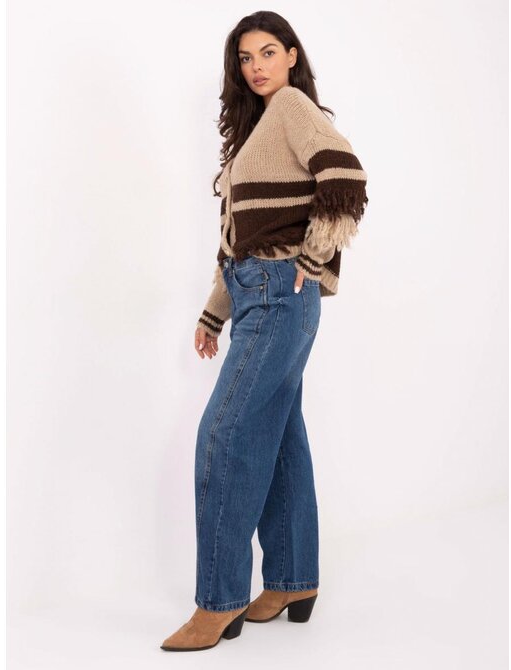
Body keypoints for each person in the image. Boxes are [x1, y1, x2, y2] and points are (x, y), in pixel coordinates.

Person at [161, 10, 368, 652]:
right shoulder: (259, 130)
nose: (256, 67)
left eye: (268, 52)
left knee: (224, 435)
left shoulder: (293, 108)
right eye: (246, 58)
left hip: (281, 293)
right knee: (278, 441)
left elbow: (346, 175)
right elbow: (241, 241)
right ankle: (293, 581)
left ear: (292, 55)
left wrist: (315, 257)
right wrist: (213, 311)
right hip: (258, 294)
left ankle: (217, 603)